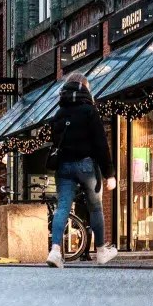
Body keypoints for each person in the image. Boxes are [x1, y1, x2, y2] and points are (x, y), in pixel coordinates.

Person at [48, 71, 117, 268]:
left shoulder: (58, 114)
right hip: (87, 166)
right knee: (95, 207)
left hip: (64, 166)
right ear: (85, 88)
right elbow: (101, 144)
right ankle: (101, 251)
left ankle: (55, 250)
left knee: (62, 207)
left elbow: (55, 142)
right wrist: (109, 173)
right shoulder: (89, 111)